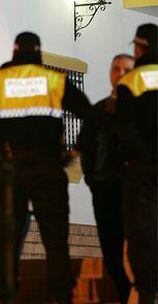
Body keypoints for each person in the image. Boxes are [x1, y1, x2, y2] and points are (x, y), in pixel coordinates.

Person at [0, 32, 91, 304]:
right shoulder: (54, 80)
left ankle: (4, 296)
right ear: (39, 51)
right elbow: (89, 112)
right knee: (55, 240)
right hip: (48, 168)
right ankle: (61, 296)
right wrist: (76, 149)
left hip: (7, 170)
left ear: (14, 50)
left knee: (8, 240)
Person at [78, 54, 134, 304]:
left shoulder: (144, 109)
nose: (120, 74)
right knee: (111, 250)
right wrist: (93, 180)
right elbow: (86, 149)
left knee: (138, 247)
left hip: (137, 190)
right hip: (105, 189)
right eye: (116, 69)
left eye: (126, 69)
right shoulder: (97, 111)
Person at [116, 23, 158, 304]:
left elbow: (126, 129)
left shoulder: (131, 81)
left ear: (140, 47)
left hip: (143, 170)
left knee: (141, 230)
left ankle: (147, 290)